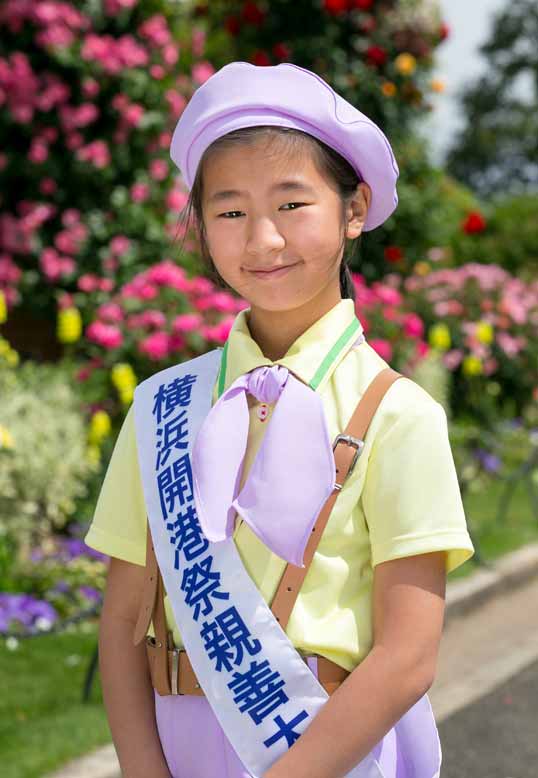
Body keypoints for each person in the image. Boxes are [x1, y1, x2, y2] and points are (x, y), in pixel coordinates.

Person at [84, 61, 475, 778]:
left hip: (329, 750)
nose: (261, 240)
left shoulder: (398, 414)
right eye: (230, 211)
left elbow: (409, 654)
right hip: (177, 748)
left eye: (292, 205)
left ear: (354, 208)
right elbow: (121, 622)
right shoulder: (163, 405)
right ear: (200, 225)